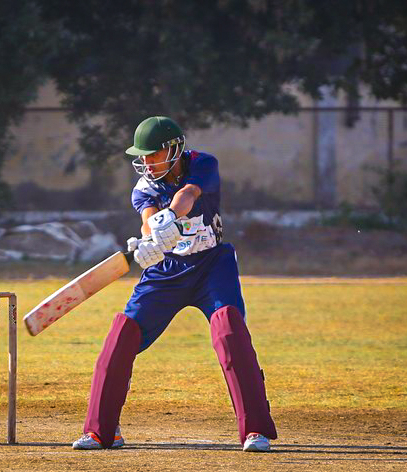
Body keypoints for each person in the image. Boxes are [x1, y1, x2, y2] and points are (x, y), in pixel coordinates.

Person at [72, 116, 277, 452]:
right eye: (142, 156)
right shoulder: (143, 187)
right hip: (167, 271)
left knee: (229, 330)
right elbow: (148, 219)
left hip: (212, 265)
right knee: (123, 333)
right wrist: (149, 240)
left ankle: (255, 430)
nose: (147, 162)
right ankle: (100, 431)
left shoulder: (203, 164)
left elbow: (189, 193)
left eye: (153, 154)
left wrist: (171, 216)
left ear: (174, 149)